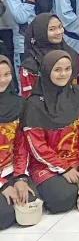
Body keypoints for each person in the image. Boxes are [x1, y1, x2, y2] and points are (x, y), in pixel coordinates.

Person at [22, 50, 79, 213]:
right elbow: (36, 147)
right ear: (47, 71)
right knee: (62, 199)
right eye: (57, 70)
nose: (63, 74)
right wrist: (64, 168)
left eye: (67, 69)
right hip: (47, 163)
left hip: (76, 156)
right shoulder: (34, 105)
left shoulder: (78, 94)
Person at [0, 55, 36, 230]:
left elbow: (21, 144)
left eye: (7, 74)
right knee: (4, 217)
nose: (3, 80)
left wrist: (20, 177)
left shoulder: (19, 104)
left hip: (9, 168)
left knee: (29, 200)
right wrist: (3, 185)